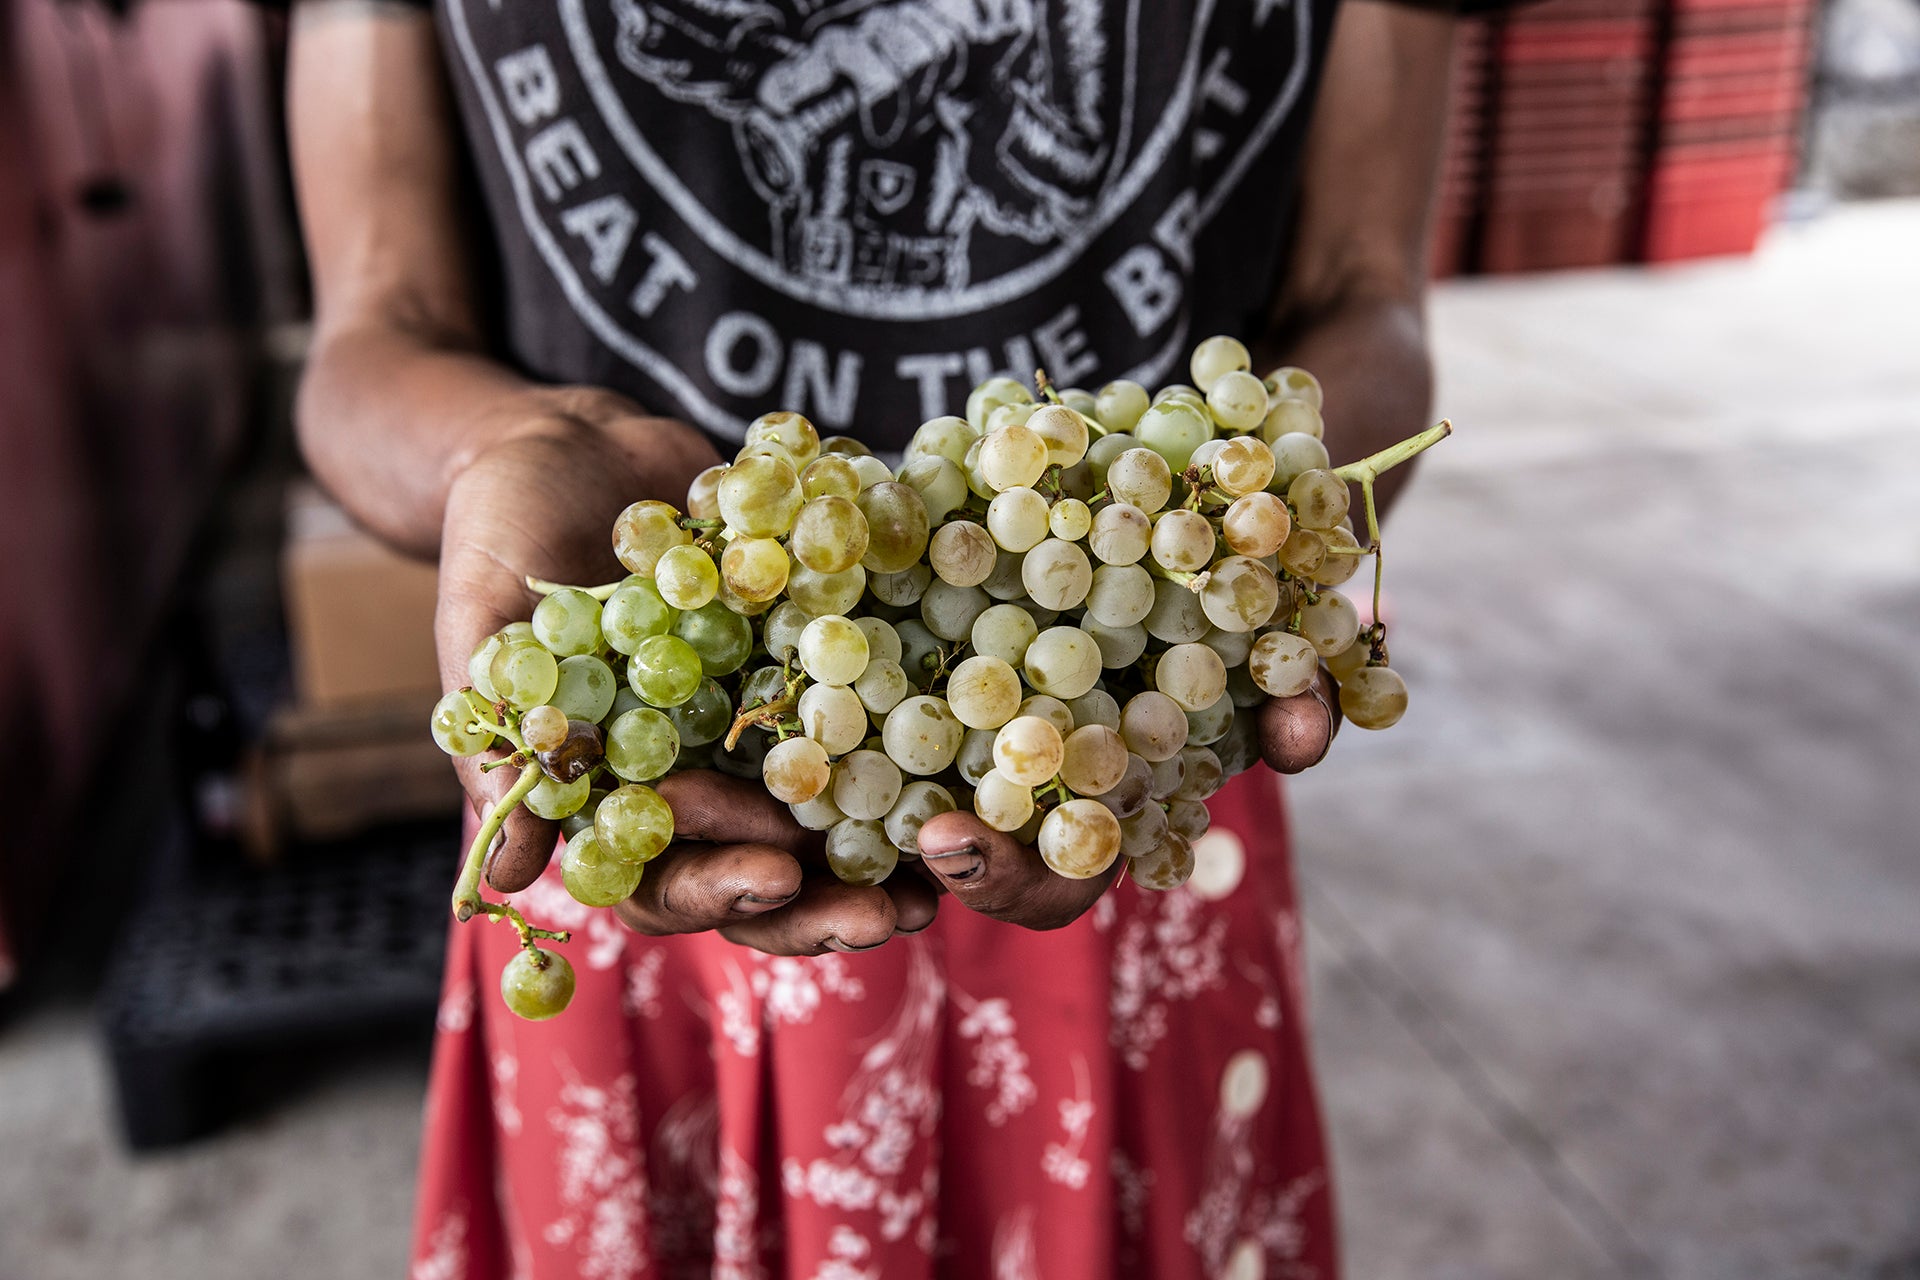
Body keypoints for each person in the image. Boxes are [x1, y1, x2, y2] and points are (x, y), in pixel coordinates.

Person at [288, 1, 1507, 1274]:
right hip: (640, 768)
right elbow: (376, 329)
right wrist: (504, 447)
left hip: (1127, 746)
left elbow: (1361, 297)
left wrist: (1269, 524)